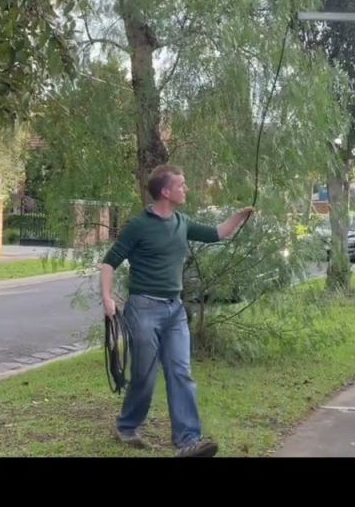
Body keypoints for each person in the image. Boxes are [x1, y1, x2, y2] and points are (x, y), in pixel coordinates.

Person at [99, 164, 254, 457]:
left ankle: (188, 441)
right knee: (144, 375)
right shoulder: (138, 226)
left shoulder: (182, 222)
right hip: (143, 308)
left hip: (174, 310)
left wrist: (241, 214)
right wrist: (107, 298)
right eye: (181, 185)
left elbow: (217, 233)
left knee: (180, 371)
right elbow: (109, 262)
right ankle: (127, 425)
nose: (186, 189)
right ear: (166, 192)